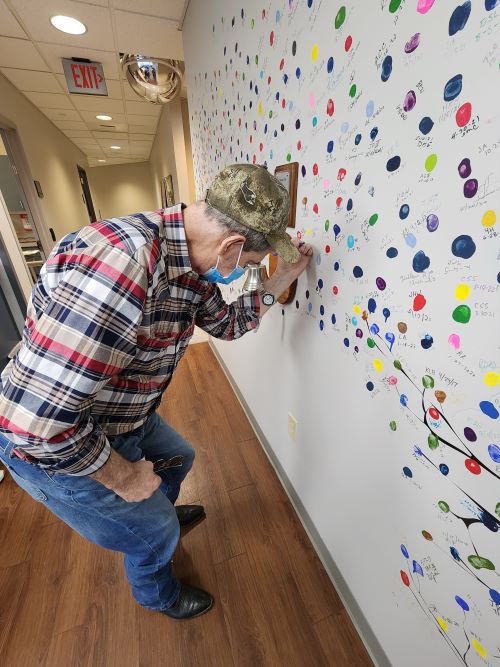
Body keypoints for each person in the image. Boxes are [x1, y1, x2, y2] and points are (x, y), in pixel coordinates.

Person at [0, 164, 312, 619]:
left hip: (119, 414)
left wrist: (280, 277)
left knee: (179, 458)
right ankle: (156, 589)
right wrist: (124, 477)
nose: (242, 271)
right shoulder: (121, 269)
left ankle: (154, 510)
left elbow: (224, 323)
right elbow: (36, 425)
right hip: (55, 447)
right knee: (155, 531)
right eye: (247, 264)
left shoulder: (186, 253)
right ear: (231, 246)